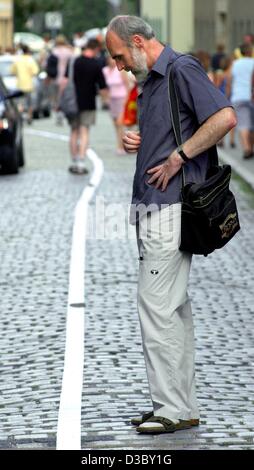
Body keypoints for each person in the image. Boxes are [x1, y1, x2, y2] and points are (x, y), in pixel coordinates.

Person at [106, 15, 237, 435]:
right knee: (174, 309)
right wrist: (143, 142)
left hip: (170, 207)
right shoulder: (152, 80)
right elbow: (175, 129)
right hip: (155, 206)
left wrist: (178, 156)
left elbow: (224, 119)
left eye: (120, 56)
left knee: (156, 308)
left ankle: (170, 407)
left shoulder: (181, 69)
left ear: (139, 42)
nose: (118, 65)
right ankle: (182, 405)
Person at [68, 39, 108, 174]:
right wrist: (105, 101)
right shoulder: (96, 64)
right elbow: (102, 86)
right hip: (89, 102)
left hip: (73, 102)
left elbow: (67, 80)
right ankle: (81, 162)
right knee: (84, 131)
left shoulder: (75, 61)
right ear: (96, 49)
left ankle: (74, 160)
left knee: (74, 131)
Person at [227, 43, 254, 159]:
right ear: (249, 51)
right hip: (251, 96)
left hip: (238, 96)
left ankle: (247, 148)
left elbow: (229, 81)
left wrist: (227, 96)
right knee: (252, 124)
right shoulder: (253, 62)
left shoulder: (235, 64)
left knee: (243, 123)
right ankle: (251, 148)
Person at [103, 55, 129, 154]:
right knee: (115, 124)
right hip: (111, 99)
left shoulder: (120, 71)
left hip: (122, 98)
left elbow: (127, 86)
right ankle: (120, 143)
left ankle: (121, 146)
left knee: (120, 123)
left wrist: (127, 100)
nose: (112, 61)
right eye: (110, 59)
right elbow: (104, 86)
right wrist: (105, 98)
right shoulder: (105, 70)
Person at [10, 44, 39, 124]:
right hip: (29, 84)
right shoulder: (30, 60)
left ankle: (20, 116)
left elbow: (12, 71)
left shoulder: (18, 60)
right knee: (29, 102)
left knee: (20, 102)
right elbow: (35, 71)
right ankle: (29, 116)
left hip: (20, 84)